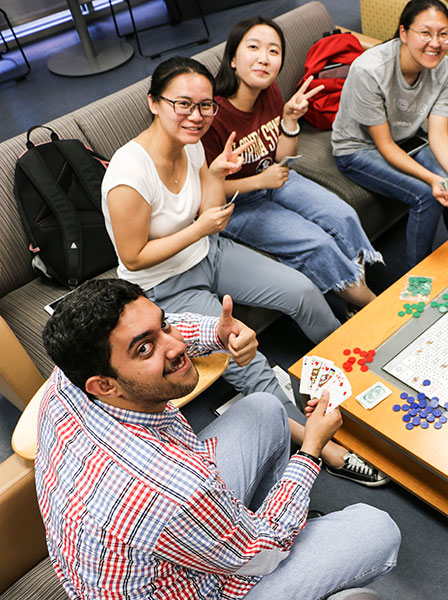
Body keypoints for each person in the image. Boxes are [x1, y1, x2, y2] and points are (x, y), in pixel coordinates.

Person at [101, 56, 386, 486]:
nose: (196, 116)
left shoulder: (192, 143)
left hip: (209, 252)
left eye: (205, 106)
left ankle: (354, 364)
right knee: (245, 356)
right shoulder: (128, 176)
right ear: (154, 103)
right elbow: (135, 256)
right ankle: (320, 446)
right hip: (163, 285)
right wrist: (201, 227)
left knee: (302, 290)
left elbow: (207, 210)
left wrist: (216, 175)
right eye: (183, 104)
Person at [35, 278, 400, 599]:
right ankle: (264, 531)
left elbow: (159, 332)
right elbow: (260, 554)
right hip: (199, 578)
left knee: (263, 408)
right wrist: (311, 451)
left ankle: (253, 528)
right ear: (105, 385)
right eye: (145, 349)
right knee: (376, 530)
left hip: (134, 551)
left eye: (163, 325)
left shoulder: (71, 374)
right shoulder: (177, 489)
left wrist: (218, 333)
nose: (174, 345)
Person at [204, 16, 381, 311]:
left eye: (274, 51)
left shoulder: (269, 91)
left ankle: (354, 292)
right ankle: (372, 306)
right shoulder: (212, 117)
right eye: (254, 47)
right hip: (238, 204)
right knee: (318, 243)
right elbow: (208, 190)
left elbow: (283, 159)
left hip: (275, 180)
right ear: (232, 58)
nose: (264, 59)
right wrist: (261, 181)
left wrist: (289, 120)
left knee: (344, 215)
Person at [332, 0, 448, 269]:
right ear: (404, 33)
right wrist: (434, 180)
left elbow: (439, 134)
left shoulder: (445, 68)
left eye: (443, 34)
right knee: (427, 195)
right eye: (426, 33)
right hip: (357, 148)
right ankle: (417, 276)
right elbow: (384, 145)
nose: (435, 43)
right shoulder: (370, 70)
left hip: (407, 139)